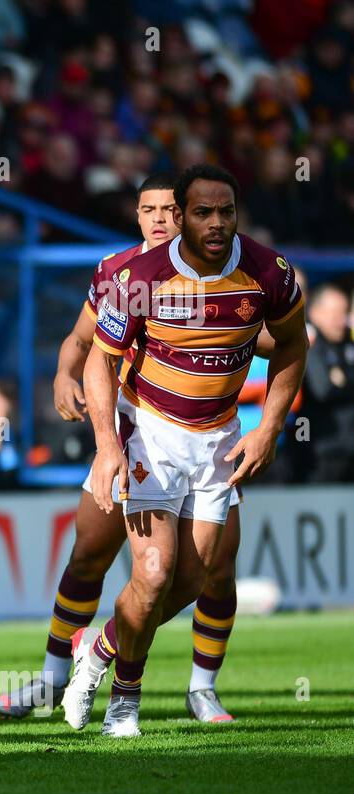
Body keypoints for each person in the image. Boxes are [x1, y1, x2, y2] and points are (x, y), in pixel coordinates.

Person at [0, 172, 271, 723]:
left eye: (171, 209)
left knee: (214, 570)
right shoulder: (121, 273)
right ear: (138, 216)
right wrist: (61, 373)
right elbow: (81, 342)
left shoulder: (218, 275)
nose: (160, 219)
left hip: (206, 433)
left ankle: (202, 688)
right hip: (131, 430)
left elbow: (259, 333)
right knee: (91, 552)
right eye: (150, 210)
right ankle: (54, 676)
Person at [62, 164, 308, 737]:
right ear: (181, 216)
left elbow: (292, 344)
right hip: (149, 431)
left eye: (226, 211)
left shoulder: (269, 272)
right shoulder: (140, 276)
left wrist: (269, 425)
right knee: (152, 571)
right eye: (202, 212)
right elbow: (98, 360)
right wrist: (106, 445)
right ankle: (123, 702)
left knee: (192, 583)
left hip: (220, 438)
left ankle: (96, 649)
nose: (216, 223)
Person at [303, 283, 354, 482]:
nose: (341, 321)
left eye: (344, 313)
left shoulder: (347, 343)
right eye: (335, 314)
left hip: (348, 450)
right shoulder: (310, 344)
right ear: (315, 313)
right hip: (322, 452)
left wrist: (344, 381)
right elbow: (322, 389)